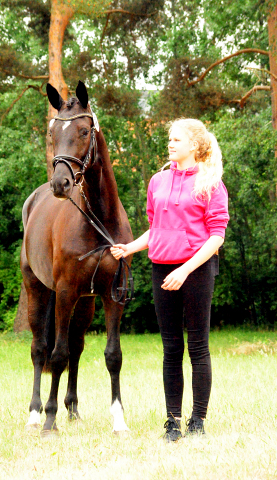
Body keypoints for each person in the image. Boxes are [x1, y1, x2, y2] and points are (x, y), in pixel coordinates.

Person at [111, 118, 229, 442]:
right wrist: (129, 248)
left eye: (177, 139)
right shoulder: (157, 181)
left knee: (198, 346)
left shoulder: (211, 183)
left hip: (197, 270)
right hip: (161, 269)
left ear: (194, 145)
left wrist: (186, 269)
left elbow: (216, 237)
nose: (170, 144)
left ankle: (198, 421)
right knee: (171, 347)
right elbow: (156, 229)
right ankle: (173, 422)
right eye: (169, 139)